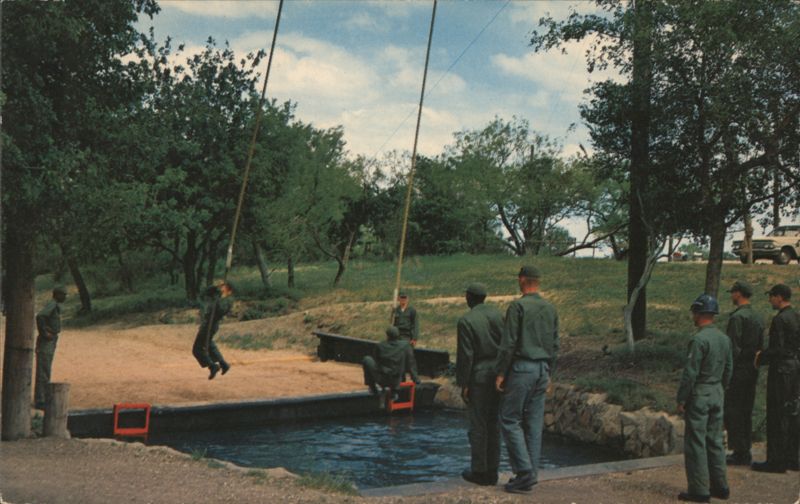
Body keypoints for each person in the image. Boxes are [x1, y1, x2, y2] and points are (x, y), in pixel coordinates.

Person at [494, 265, 559, 494]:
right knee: (533, 424)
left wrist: (501, 372)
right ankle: (531, 473)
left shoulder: (518, 306)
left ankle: (524, 472)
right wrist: (550, 372)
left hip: (522, 368)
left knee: (509, 419)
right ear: (537, 281)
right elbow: (555, 343)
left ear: (522, 280)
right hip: (543, 369)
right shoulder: (550, 308)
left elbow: (509, 343)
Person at [676, 294, 732, 503]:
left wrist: (682, 399)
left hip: (700, 394)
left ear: (698, 313)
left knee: (696, 442)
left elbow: (690, 373)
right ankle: (721, 486)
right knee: (715, 441)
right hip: (717, 392)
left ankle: (699, 490)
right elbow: (729, 369)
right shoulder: (724, 338)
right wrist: (720, 389)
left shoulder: (698, 339)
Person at [456, 283, 504, 486]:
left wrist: (463, 383)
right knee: (494, 423)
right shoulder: (497, 315)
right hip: (499, 373)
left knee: (478, 425)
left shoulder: (466, 320)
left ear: (469, 297)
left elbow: (466, 355)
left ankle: (479, 471)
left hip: (479, 374)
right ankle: (493, 470)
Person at [752, 284, 800, 473]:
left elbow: (777, 348)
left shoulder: (780, 320)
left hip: (781, 370)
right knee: (793, 412)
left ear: (780, 297)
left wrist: (760, 357)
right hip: (796, 367)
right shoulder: (796, 316)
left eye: (771, 296)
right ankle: (792, 457)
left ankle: (776, 461)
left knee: (776, 412)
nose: (770, 299)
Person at [723, 281, 765, 466]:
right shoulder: (758, 316)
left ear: (738, 294)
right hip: (752, 368)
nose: (731, 296)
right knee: (746, 409)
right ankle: (745, 449)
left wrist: (727, 372)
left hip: (739, 368)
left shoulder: (737, 318)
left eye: (732, 293)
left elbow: (733, 348)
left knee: (734, 409)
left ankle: (739, 451)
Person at [192, 281, 235, 380]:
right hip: (207, 323)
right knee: (210, 345)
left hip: (211, 325)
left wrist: (219, 299)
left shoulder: (228, 300)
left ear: (229, 290)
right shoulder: (217, 295)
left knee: (197, 349)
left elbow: (220, 310)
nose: (221, 288)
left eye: (223, 286)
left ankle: (212, 366)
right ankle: (223, 364)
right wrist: (215, 286)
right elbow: (204, 293)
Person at [34, 286, 67, 409]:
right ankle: (40, 400)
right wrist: (44, 332)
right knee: (43, 370)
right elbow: (40, 316)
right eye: (63, 294)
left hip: (51, 340)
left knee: (45, 369)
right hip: (46, 341)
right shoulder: (52, 305)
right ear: (57, 294)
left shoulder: (55, 306)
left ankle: (42, 397)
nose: (65, 297)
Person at [362, 326, 420, 396]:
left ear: (387, 335)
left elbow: (376, 361)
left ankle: (373, 388)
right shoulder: (405, 346)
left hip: (382, 379)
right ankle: (394, 392)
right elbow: (411, 363)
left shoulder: (380, 346)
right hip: (397, 380)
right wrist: (416, 379)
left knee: (367, 359)